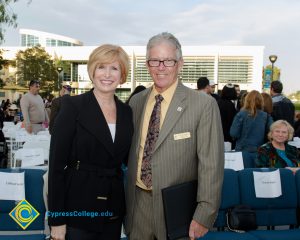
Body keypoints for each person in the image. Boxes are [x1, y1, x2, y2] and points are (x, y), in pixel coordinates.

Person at [125, 32, 224, 240]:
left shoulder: (203, 105)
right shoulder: (136, 103)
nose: (161, 67)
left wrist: (205, 214)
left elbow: (211, 165)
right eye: (154, 61)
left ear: (180, 64)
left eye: (168, 61)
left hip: (178, 211)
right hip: (138, 206)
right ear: (147, 64)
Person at [48, 44, 133, 240]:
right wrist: (57, 219)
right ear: (92, 70)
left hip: (113, 209)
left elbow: (129, 158)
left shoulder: (127, 112)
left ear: (122, 75)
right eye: (102, 66)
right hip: (78, 208)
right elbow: (56, 167)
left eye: (114, 68)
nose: (107, 74)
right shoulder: (72, 106)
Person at [230, 90, 273, 168]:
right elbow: (272, 133)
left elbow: (234, 133)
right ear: (261, 101)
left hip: (242, 151)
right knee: (257, 176)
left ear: (247, 100)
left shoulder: (241, 114)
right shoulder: (266, 116)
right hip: (260, 151)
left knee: (243, 175)